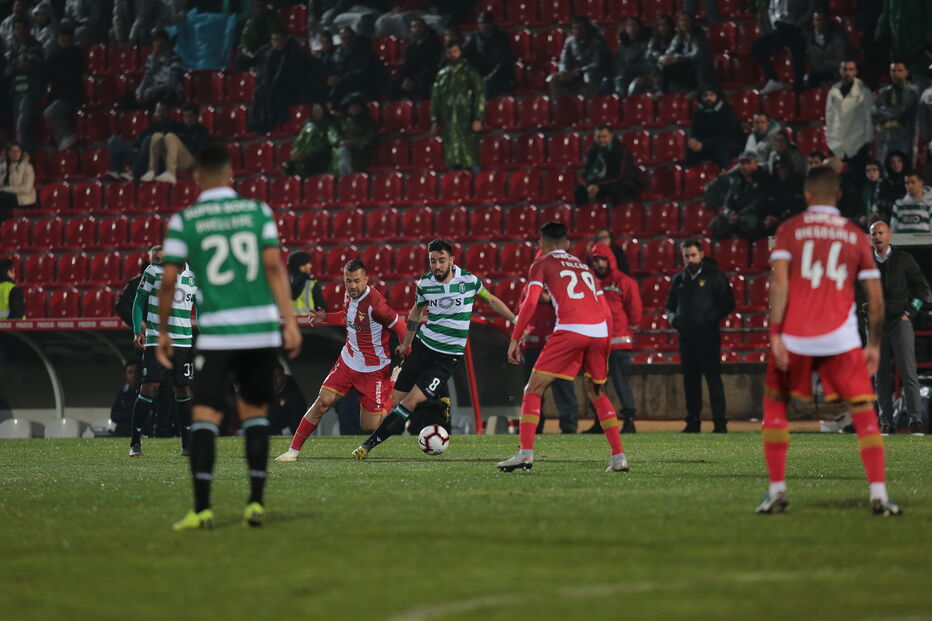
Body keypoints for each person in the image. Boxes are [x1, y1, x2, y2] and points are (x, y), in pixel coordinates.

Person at [157, 144, 302, 530]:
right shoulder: (259, 212)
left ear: (197, 177)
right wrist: (289, 321)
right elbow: (274, 266)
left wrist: (167, 330)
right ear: (231, 175)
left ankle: (202, 509)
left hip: (218, 335)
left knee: (205, 417)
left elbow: (169, 282)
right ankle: (255, 504)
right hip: (259, 329)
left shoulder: (184, 220)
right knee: (255, 416)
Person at [757, 165, 901, 516]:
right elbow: (876, 299)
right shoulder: (855, 236)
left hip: (796, 336)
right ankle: (879, 494)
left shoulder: (789, 230)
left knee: (776, 406)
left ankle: (777, 490)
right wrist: (875, 344)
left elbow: (779, 286)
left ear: (806, 195)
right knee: (864, 411)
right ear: (838, 195)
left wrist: (774, 334)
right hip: (841, 337)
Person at [351, 238, 516, 460]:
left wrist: (516, 321)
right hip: (422, 348)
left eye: (441, 260)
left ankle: (366, 446)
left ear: (451, 260)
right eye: (432, 261)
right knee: (395, 403)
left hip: (446, 359)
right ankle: (436, 400)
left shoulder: (468, 281)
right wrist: (406, 343)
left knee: (410, 402)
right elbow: (416, 312)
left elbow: (492, 301)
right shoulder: (425, 283)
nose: (437, 266)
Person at [498, 222, 628, 472]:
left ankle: (525, 454)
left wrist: (516, 337)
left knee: (533, 388)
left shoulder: (541, 264)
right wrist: (607, 351)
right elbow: (607, 314)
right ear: (568, 244)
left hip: (571, 329)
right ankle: (619, 457)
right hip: (600, 332)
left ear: (541, 245)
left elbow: (530, 301)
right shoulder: (586, 269)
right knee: (597, 392)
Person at [277, 260, 407, 461]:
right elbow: (348, 317)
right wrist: (325, 317)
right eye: (348, 281)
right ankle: (292, 451)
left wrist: (406, 351)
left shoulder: (378, 305)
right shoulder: (348, 294)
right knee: (322, 402)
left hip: (373, 370)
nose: (352, 286)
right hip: (347, 361)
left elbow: (401, 328)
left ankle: (392, 383)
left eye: (356, 281)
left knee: (369, 426)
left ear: (366, 279)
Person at [128, 241, 198, 458]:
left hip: (184, 342)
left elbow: (201, 309)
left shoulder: (195, 277)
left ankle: (187, 445)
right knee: (149, 388)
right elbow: (138, 302)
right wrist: (137, 331)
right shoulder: (154, 271)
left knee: (183, 390)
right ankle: (135, 442)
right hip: (156, 339)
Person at [664, 239, 735, 433]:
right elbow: (669, 306)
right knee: (691, 381)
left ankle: (720, 423)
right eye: (686, 256)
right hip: (686, 338)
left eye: (693, 255)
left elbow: (728, 303)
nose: (689, 259)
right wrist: (673, 319)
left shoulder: (715, 277)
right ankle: (693, 422)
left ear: (702, 254)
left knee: (713, 379)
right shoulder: (678, 280)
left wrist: (709, 318)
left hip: (708, 336)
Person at [869, 221, 930, 436]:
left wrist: (909, 313)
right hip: (876, 327)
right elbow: (855, 293)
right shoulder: (865, 263)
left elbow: (923, 291)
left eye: (880, 233)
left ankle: (916, 421)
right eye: (873, 233)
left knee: (908, 372)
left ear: (889, 235)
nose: (877, 237)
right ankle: (886, 421)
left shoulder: (904, 260)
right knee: (880, 377)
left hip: (900, 323)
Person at [590, 242, 642, 434]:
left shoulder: (624, 282)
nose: (599, 264)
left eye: (602, 259)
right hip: (597, 343)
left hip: (618, 343)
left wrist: (629, 333)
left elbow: (635, 312)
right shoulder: (591, 282)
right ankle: (599, 421)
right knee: (595, 383)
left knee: (621, 384)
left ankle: (629, 420)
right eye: (596, 260)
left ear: (610, 260)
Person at [516, 280, 579, 435]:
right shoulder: (529, 287)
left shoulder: (562, 286)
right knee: (533, 388)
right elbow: (520, 312)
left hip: (557, 345)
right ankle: (534, 426)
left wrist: (550, 298)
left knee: (563, 386)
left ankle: (569, 426)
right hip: (534, 345)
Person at [430, 40, 484, 173]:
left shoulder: (470, 72)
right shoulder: (442, 75)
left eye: (455, 51)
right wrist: (435, 119)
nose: (452, 55)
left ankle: (475, 188)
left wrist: (478, 117)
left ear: (460, 52)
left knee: (470, 157)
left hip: (467, 118)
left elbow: (479, 95)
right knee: (452, 157)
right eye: (449, 52)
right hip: (448, 121)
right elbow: (436, 98)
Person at [248, 30, 311, 133]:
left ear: (285, 40)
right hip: (268, 89)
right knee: (259, 95)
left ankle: (274, 127)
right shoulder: (267, 55)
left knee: (276, 97)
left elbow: (297, 75)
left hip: (287, 90)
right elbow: (262, 75)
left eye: (280, 39)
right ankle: (258, 127)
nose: (278, 42)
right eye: (275, 40)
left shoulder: (294, 54)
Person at [825, 60, 873, 185]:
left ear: (856, 71)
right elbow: (829, 117)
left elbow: (869, 117)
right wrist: (831, 141)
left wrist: (867, 139)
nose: (847, 72)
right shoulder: (833, 91)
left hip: (858, 143)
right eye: (845, 69)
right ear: (840, 71)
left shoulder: (864, 92)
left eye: (851, 69)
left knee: (857, 181)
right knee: (837, 182)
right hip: (837, 144)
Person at [106, 101, 178, 181]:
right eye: (158, 111)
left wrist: (140, 145)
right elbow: (140, 139)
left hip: (155, 161)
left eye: (163, 111)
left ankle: (135, 173)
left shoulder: (174, 127)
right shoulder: (153, 125)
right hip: (140, 154)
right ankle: (117, 171)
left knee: (149, 140)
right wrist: (134, 146)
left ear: (168, 112)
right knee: (113, 141)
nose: (160, 114)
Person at [140, 104, 210, 185]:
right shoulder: (178, 127)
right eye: (185, 116)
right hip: (172, 156)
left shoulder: (201, 131)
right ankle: (152, 170)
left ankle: (170, 172)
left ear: (196, 117)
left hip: (189, 159)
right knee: (157, 136)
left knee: (170, 137)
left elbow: (198, 150)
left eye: (190, 116)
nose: (188, 119)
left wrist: (181, 143)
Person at [708, 151, 772, 240]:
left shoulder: (765, 177)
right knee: (716, 222)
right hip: (738, 216)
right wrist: (730, 212)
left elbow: (760, 202)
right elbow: (728, 201)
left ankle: (752, 249)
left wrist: (740, 214)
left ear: (756, 163)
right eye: (742, 163)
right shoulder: (737, 179)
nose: (745, 166)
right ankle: (728, 249)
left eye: (748, 163)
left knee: (747, 222)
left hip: (757, 215)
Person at [751, 0, 811, 95]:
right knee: (756, 47)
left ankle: (799, 90)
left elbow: (811, 9)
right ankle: (774, 79)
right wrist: (775, 23)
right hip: (781, 27)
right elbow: (771, 9)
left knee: (798, 59)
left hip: (798, 29)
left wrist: (798, 24)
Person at [575, 124, 641, 205]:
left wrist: (597, 186)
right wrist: (589, 186)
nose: (601, 140)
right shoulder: (592, 151)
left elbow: (620, 176)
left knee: (616, 190)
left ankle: (617, 215)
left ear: (611, 136)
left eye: (604, 136)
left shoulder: (621, 150)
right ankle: (587, 216)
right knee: (579, 191)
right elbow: (585, 173)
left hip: (622, 182)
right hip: (598, 184)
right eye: (598, 137)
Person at [547, 14, 611, 99]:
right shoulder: (570, 41)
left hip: (594, 74)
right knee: (554, 78)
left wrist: (578, 71)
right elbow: (564, 61)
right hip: (576, 74)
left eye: (580, 28)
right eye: (575, 28)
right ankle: (560, 106)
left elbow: (597, 64)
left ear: (586, 29)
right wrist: (564, 71)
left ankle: (590, 106)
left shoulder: (598, 42)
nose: (577, 31)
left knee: (588, 77)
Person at [5, 15, 44, 153]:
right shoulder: (13, 48)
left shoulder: (35, 45)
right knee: (19, 125)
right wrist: (19, 65)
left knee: (23, 122)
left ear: (28, 29)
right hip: (16, 92)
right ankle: (30, 154)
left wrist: (19, 65)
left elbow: (34, 64)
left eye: (22, 28)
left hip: (30, 90)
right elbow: (8, 69)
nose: (19, 31)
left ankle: (24, 156)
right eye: (16, 28)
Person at [42, 20, 83, 151]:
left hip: (72, 96)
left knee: (50, 112)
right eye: (62, 40)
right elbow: (46, 74)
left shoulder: (77, 54)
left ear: (72, 40)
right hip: (57, 96)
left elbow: (73, 78)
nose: (65, 43)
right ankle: (62, 145)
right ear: (58, 40)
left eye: (67, 40)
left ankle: (68, 136)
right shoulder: (54, 55)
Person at [872, 61, 920, 167]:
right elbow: (873, 112)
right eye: (893, 71)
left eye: (899, 70)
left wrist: (884, 112)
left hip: (905, 139)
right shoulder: (884, 92)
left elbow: (905, 112)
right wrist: (894, 113)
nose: (896, 73)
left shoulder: (913, 93)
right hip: (886, 138)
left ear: (906, 73)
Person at [657, 11, 714, 95]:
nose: (684, 23)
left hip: (697, 65)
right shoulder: (678, 36)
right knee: (667, 65)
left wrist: (677, 58)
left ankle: (694, 89)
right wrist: (665, 57)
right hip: (684, 63)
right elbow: (670, 50)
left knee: (679, 64)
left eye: (686, 20)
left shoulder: (699, 35)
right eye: (682, 21)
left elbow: (696, 54)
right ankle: (663, 92)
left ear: (692, 22)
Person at [123, 29, 182, 108]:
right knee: (126, 99)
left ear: (167, 42)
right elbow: (147, 77)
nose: (159, 43)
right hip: (152, 89)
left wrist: (151, 90)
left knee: (153, 99)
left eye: (162, 40)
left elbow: (171, 84)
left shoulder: (175, 59)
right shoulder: (151, 58)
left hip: (168, 91)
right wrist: (139, 92)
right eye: (156, 40)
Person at [685, 89, 743, 168]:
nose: (708, 98)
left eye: (711, 95)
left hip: (730, 143)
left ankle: (726, 175)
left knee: (721, 148)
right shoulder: (698, 113)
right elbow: (695, 132)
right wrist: (693, 141)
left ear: (717, 96)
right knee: (690, 150)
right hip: (707, 144)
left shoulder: (728, 110)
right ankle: (692, 178)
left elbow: (727, 136)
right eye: (705, 95)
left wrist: (704, 144)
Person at [463, 11, 514, 100]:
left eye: (486, 23)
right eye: (482, 23)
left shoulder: (502, 37)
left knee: (487, 87)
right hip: (481, 75)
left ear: (492, 23)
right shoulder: (475, 37)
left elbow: (503, 61)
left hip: (500, 76)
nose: (484, 26)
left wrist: (491, 76)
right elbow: (465, 54)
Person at [389, 16, 442, 101]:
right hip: (413, 77)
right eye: (414, 26)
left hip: (426, 76)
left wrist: (415, 81)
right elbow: (407, 64)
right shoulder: (411, 45)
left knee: (424, 83)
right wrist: (407, 78)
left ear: (425, 27)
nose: (417, 29)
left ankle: (424, 108)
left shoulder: (432, 42)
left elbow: (430, 65)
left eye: (419, 26)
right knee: (393, 85)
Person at [329, 93, 379, 177]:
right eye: (352, 106)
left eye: (357, 105)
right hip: (340, 150)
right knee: (341, 154)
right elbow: (332, 134)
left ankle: (348, 178)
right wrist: (340, 142)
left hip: (360, 153)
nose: (354, 108)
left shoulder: (369, 122)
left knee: (344, 158)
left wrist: (352, 144)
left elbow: (369, 138)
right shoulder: (340, 122)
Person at [284, 103, 334, 178]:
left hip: (321, 155)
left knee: (305, 164)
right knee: (288, 166)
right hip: (306, 155)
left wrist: (306, 154)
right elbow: (299, 142)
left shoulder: (328, 125)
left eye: (319, 109)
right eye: (315, 109)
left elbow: (327, 142)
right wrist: (295, 152)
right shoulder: (307, 126)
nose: (316, 111)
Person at [804, 10, 851, 89]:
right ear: (813, 22)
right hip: (818, 72)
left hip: (836, 73)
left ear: (827, 21)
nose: (820, 23)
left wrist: (824, 63)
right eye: (817, 20)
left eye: (823, 20)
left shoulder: (839, 38)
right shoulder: (809, 39)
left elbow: (841, 63)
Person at [236, 0, 284, 70]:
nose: (259, 10)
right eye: (256, 7)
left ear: (265, 8)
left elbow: (276, 41)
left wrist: (260, 51)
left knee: (269, 56)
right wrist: (247, 51)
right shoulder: (250, 23)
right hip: (254, 54)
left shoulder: (273, 21)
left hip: (268, 52)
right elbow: (244, 39)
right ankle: (246, 79)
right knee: (239, 58)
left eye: (261, 7)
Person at [611, 17, 650, 98]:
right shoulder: (623, 46)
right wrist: (619, 69)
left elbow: (646, 63)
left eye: (634, 25)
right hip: (625, 75)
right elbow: (617, 61)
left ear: (639, 28)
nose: (631, 28)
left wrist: (628, 69)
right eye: (629, 26)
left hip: (640, 74)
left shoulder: (646, 44)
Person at [267, 362, 309, 436]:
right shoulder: (263, 392)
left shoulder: (293, 395)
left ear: (284, 377)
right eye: (270, 376)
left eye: (277, 376)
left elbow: (296, 422)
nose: (273, 380)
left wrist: (281, 434)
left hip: (287, 435)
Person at [287, 250, 328, 316]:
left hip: (285, 324)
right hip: (308, 325)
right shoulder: (311, 284)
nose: (310, 266)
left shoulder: (280, 285)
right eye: (308, 263)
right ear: (301, 266)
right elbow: (323, 311)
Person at [859, 159, 897, 228]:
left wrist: (878, 213)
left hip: (881, 216)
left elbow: (890, 204)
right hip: (867, 216)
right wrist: (861, 216)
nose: (871, 173)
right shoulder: (865, 187)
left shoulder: (885, 184)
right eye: (868, 170)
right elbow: (861, 206)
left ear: (880, 170)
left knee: (873, 224)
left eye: (874, 170)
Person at [0, 142, 35, 214]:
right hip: (6, 196)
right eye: (12, 151)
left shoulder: (27, 167)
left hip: (23, 199)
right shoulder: (3, 165)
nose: (15, 153)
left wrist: (4, 189)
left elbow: (26, 189)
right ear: (8, 153)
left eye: (18, 151)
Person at [110, 361, 141, 437]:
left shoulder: (146, 391)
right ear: (125, 375)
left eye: (135, 372)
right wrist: (130, 414)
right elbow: (114, 416)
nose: (133, 375)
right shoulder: (122, 392)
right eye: (130, 372)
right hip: (122, 430)